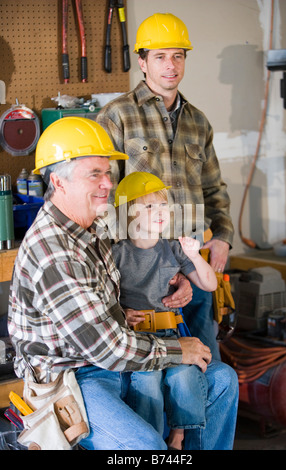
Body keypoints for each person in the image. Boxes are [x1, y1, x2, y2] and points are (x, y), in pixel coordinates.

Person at [8, 117, 238, 450]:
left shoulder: (92, 226)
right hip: (74, 377)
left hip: (121, 356)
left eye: (108, 173)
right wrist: (178, 350)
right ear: (58, 181)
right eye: (94, 174)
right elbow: (108, 349)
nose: (106, 184)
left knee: (222, 382)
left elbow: (146, 240)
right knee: (145, 446)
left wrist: (177, 277)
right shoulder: (54, 253)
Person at [97, 13, 234, 360]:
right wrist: (156, 273)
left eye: (178, 55)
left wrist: (222, 237)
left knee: (207, 368)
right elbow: (104, 199)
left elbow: (214, 188)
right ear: (142, 62)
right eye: (160, 56)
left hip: (191, 260)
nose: (170, 65)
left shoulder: (198, 122)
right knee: (154, 380)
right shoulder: (116, 116)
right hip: (140, 276)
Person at [112, 171, 217, 450]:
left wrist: (194, 255)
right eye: (149, 207)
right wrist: (121, 312)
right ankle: (150, 443)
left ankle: (178, 438)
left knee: (185, 376)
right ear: (130, 214)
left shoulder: (174, 249)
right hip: (138, 338)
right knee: (146, 381)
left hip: (171, 334)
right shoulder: (116, 254)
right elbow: (104, 298)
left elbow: (210, 283)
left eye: (162, 205)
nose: (160, 212)